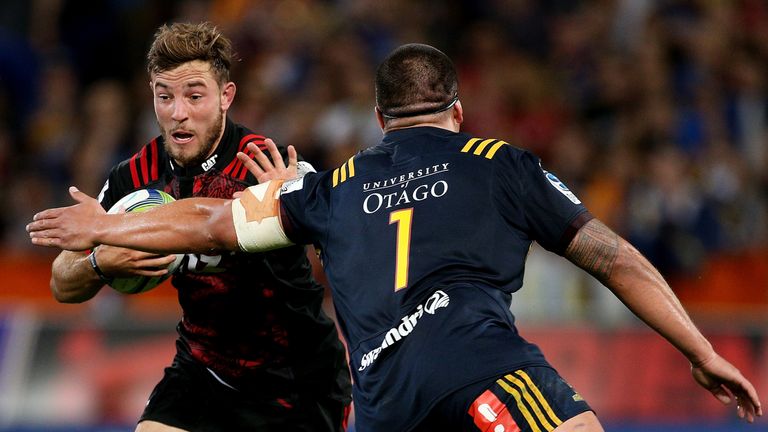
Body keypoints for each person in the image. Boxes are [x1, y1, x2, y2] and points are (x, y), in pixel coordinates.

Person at [29, 43, 762, 431]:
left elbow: (212, 222)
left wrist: (105, 226)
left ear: (379, 122)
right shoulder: (495, 162)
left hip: (380, 406)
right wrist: (699, 351)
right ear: (458, 112)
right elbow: (613, 257)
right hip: (479, 367)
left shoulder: (333, 189)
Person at [42, 22, 351, 432]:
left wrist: (291, 209)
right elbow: (62, 284)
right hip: (203, 370)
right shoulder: (132, 179)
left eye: (194, 95)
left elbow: (348, 251)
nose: (178, 113)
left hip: (297, 379)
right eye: (164, 96)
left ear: (226, 96)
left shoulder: (269, 166)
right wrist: (99, 263)